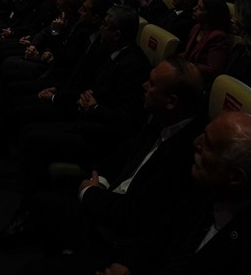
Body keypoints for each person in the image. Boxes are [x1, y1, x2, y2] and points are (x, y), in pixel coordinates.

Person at [11, 57, 208, 269]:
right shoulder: (162, 120)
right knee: (42, 199)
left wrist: (90, 193)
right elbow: (122, 155)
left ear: (171, 102)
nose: (143, 85)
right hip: (108, 201)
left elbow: (133, 217)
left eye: (151, 84)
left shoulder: (184, 153)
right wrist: (101, 181)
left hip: (117, 239)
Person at [98, 111, 251, 275]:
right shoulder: (208, 186)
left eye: (208, 145)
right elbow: (162, 231)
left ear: (235, 177)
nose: (196, 142)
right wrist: (127, 264)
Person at [181, 0, 232, 88]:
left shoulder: (219, 36)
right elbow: (187, 54)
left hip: (201, 82)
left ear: (211, 14)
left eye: (200, 8)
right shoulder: (197, 27)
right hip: (187, 74)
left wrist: (186, 66)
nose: (194, 9)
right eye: (196, 5)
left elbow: (212, 70)